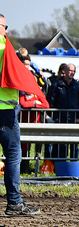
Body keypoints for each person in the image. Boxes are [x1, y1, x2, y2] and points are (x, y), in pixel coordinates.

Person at [0, 13, 42, 216]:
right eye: (5, 27)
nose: (7, 31)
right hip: (5, 113)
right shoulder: (4, 50)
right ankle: (14, 202)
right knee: (14, 156)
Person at [47, 63, 79, 161]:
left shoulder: (77, 86)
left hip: (73, 118)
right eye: (70, 70)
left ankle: (73, 163)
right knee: (60, 144)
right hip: (61, 118)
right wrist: (55, 116)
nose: (72, 73)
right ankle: (59, 164)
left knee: (74, 144)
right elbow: (51, 101)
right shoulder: (57, 85)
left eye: (74, 71)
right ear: (65, 71)